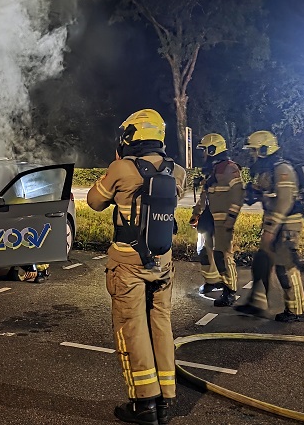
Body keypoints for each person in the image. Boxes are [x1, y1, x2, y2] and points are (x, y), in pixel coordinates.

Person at [87, 109, 187, 425]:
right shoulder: (178, 172)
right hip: (163, 261)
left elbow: (94, 201)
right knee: (160, 323)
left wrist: (116, 163)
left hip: (127, 262)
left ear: (132, 136)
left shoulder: (121, 168)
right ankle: (166, 400)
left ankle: (144, 405)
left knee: (131, 327)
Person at [234, 130, 304, 323]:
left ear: (265, 149)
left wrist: (271, 228)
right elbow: (263, 193)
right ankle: (257, 304)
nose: (252, 155)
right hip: (274, 223)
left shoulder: (282, 169)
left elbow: (284, 202)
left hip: (287, 224)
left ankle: (296, 311)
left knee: (286, 267)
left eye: (254, 150)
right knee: (262, 262)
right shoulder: (267, 170)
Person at [187, 133, 244, 307]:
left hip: (222, 220)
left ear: (213, 149)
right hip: (209, 217)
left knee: (223, 255)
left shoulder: (230, 168)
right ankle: (212, 281)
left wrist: (231, 217)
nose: (202, 154)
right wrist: (196, 213)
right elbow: (204, 195)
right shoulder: (213, 169)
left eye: (204, 150)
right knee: (203, 250)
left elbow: (238, 194)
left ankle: (230, 291)